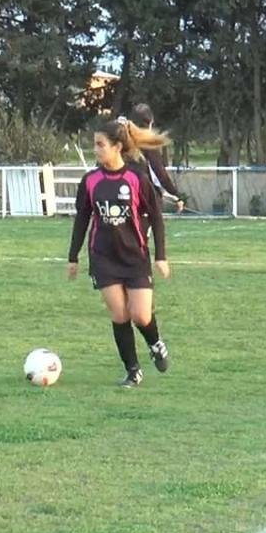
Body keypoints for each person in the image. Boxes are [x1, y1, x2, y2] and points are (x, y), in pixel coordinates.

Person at [67, 117, 172, 388]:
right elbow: (82, 219)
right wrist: (73, 257)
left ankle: (156, 344)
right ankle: (133, 370)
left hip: (134, 258)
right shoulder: (90, 181)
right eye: (95, 145)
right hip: (104, 258)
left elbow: (157, 218)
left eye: (100, 145)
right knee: (120, 315)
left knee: (141, 315)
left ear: (116, 147)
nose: (96, 150)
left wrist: (160, 256)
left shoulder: (136, 179)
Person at [130, 103, 185, 213]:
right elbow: (160, 174)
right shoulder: (148, 144)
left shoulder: (120, 142)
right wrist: (176, 195)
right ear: (151, 121)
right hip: (143, 198)